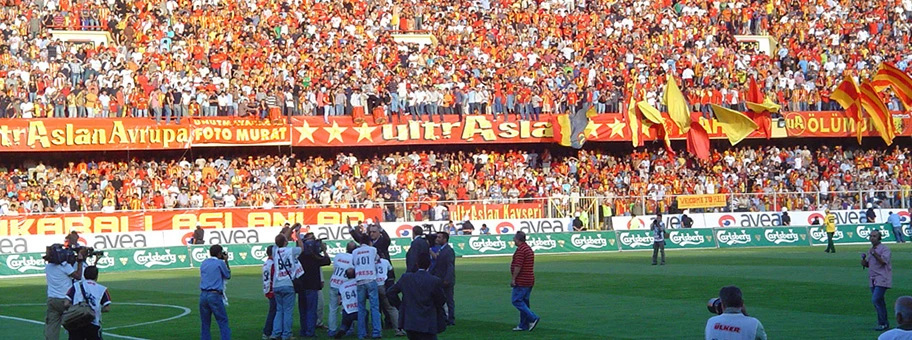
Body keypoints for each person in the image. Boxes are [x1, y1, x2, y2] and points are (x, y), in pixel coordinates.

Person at [388, 255, 447, 340]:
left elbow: (390, 292)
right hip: (428, 321)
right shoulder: (434, 280)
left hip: (410, 321)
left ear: (417, 264)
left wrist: (400, 306)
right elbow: (441, 300)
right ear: (429, 265)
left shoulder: (406, 278)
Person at [44, 244, 84, 340]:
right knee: (74, 323)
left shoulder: (48, 267)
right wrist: (79, 262)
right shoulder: (64, 266)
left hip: (52, 299)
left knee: (52, 326)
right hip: (66, 299)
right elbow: (78, 276)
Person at [298, 234, 332, 338]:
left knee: (303, 310)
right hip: (312, 286)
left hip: (301, 286)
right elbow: (327, 261)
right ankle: (310, 332)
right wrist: (324, 250)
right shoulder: (315, 257)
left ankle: (303, 331)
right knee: (311, 310)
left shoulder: (301, 256)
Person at [272, 234, 305, 340]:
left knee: (279, 310)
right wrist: (298, 236)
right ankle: (286, 334)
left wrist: (289, 231)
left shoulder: (275, 251)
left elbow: (281, 238)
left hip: (277, 284)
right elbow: (302, 248)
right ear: (285, 242)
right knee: (287, 311)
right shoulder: (290, 250)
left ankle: (276, 333)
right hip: (288, 284)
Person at [65, 266, 111, 340]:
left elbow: (66, 303)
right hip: (93, 322)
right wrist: (96, 309)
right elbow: (107, 308)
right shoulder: (102, 289)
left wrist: (76, 308)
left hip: (76, 321)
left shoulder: (75, 286)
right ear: (96, 276)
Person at [862, 230, 893, 331]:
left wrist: (874, 254)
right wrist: (864, 262)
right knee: (879, 302)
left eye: (874, 236)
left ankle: (882, 323)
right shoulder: (871, 250)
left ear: (879, 238)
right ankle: (884, 323)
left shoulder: (884, 249)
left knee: (876, 299)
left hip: (882, 278)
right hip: (872, 279)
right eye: (871, 236)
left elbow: (883, 261)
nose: (872, 238)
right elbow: (870, 265)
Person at [199, 244, 232, 340]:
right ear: (219, 253)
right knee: (223, 321)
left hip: (203, 294)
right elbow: (228, 275)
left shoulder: (204, 262)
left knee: (205, 323)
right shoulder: (219, 263)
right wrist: (226, 261)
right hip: (214, 294)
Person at [353, 234, 383, 339]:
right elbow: (378, 260)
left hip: (360, 280)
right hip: (370, 278)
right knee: (374, 306)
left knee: (361, 308)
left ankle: (362, 333)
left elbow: (354, 264)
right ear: (369, 241)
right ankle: (376, 332)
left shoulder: (355, 252)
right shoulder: (373, 250)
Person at [510, 231, 539, 331]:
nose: (513, 239)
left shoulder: (521, 250)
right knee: (524, 302)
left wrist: (513, 278)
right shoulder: (527, 248)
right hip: (529, 279)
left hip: (522, 280)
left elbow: (518, 266)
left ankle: (533, 318)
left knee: (516, 300)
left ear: (518, 239)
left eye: (514, 238)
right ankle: (523, 324)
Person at [328, 242, 356, 338]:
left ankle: (331, 330)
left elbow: (335, 267)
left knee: (333, 308)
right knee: (348, 307)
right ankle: (348, 329)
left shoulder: (338, 256)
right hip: (345, 285)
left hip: (334, 282)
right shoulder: (353, 258)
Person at [431, 232, 456, 326]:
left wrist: (447, 279)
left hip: (445, 280)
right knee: (441, 299)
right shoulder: (442, 250)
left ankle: (451, 319)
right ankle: (444, 318)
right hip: (440, 278)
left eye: (439, 237)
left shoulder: (448, 250)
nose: (437, 239)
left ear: (444, 239)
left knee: (449, 300)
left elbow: (450, 266)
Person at [333, 268, 360, 339]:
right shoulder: (358, 283)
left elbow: (339, 302)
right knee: (365, 315)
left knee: (345, 324)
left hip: (347, 311)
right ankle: (363, 332)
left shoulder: (342, 286)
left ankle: (342, 330)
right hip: (357, 309)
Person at [262, 245, 277, 340]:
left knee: (273, 311)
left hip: (268, 289)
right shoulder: (272, 264)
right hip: (272, 290)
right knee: (274, 311)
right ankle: (268, 332)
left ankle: (270, 331)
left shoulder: (266, 263)